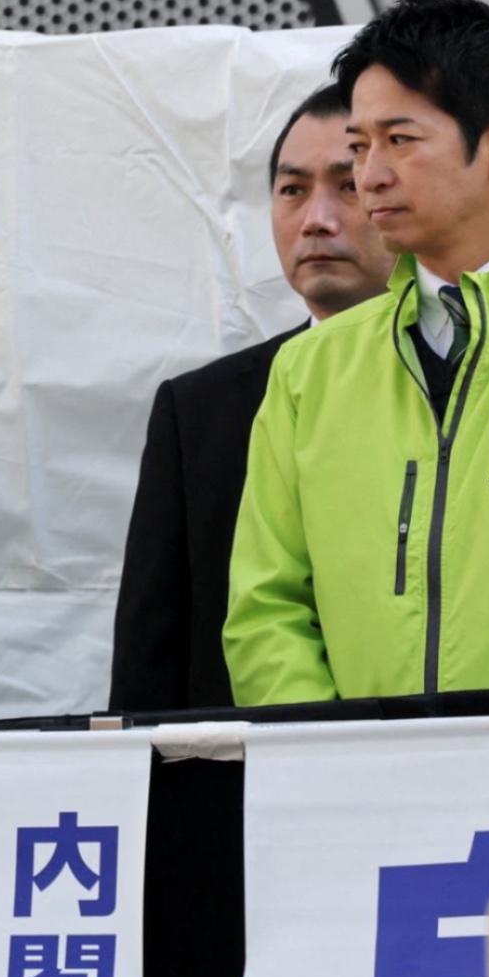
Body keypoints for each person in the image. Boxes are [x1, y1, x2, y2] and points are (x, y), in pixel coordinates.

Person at [226, 0, 489, 705]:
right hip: (363, 798)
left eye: (400, 140)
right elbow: (265, 607)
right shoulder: (309, 369)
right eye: (360, 145)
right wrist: (336, 754)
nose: (370, 175)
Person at [109, 82, 392, 710]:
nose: (316, 218)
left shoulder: (478, 381)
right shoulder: (199, 413)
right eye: (292, 190)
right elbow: (149, 661)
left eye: (347, 185)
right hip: (240, 783)